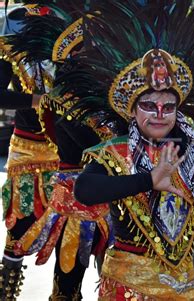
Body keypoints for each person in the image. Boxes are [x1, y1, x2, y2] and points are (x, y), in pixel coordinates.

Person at [71, 0, 194, 299]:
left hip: (193, 287)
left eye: (168, 107)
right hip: (131, 288)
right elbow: (85, 190)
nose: (159, 113)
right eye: (149, 106)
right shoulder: (114, 153)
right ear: (132, 111)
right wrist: (149, 181)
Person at [4, 1, 117, 299]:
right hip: (32, 153)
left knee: (101, 249)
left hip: (85, 163)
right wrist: (37, 101)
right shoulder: (14, 32)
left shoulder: (90, 31)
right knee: (20, 231)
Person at [0, 6, 59, 299]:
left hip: (68, 150)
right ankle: (6, 293)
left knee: (76, 230)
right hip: (26, 151)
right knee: (19, 226)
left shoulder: (70, 24)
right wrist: (36, 100)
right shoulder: (13, 26)